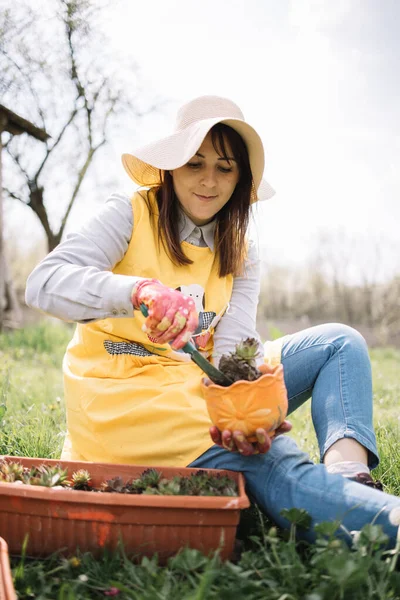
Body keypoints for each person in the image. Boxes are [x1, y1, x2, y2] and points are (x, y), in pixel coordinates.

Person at [25, 95, 400, 546]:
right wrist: (137, 291)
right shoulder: (129, 213)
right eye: (194, 163)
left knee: (338, 342)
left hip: (195, 384)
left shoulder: (241, 249)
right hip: (125, 400)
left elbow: (232, 350)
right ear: (171, 168)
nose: (208, 181)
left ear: (240, 177)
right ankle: (357, 514)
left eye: (224, 168)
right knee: (277, 463)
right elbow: (44, 283)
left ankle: (349, 480)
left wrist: (249, 406)